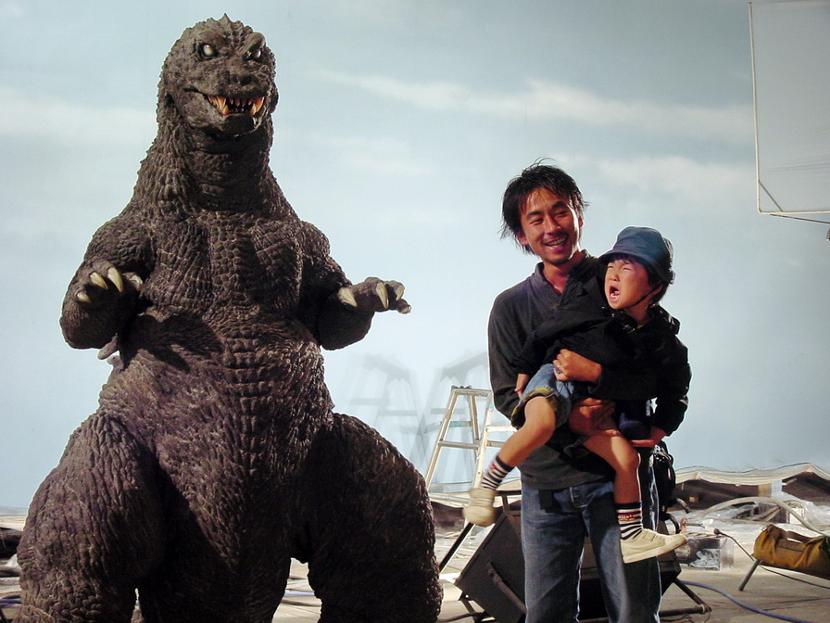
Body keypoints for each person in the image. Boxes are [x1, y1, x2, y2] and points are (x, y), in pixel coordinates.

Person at [484, 163, 689, 622]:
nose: (551, 227)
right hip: (546, 485)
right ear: (521, 235)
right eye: (536, 219)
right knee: (546, 614)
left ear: (579, 214)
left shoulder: (621, 277)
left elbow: (658, 370)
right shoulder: (510, 307)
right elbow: (507, 396)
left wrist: (623, 395)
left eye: (561, 211)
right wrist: (570, 419)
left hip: (617, 481)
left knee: (635, 611)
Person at [464, 226, 690, 565]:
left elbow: (672, 384)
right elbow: (547, 332)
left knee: (627, 461)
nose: (613, 274)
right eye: (611, 266)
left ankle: (631, 536)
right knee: (540, 424)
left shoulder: (660, 338)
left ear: (655, 286)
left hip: (595, 409)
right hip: (555, 379)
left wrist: (663, 424)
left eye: (627, 268)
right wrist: (525, 366)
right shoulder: (589, 306)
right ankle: (485, 488)